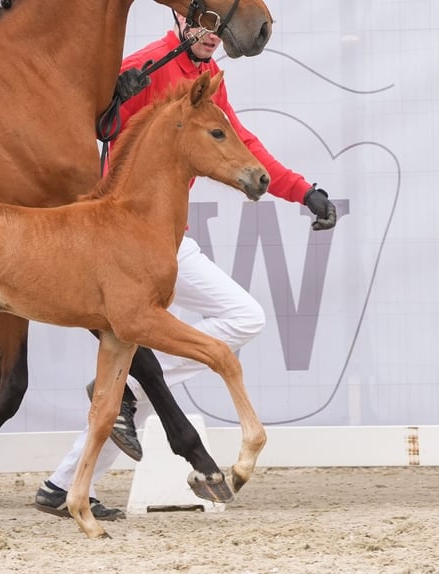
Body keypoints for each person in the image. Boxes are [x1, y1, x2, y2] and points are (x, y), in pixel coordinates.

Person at [34, 13, 337, 520]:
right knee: (190, 345)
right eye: (204, 21)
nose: (215, 32)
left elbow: (243, 145)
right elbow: (91, 127)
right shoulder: (145, 66)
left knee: (192, 349)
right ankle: (90, 446)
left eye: (221, 24)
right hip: (123, 244)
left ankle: (63, 482)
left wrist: (302, 191)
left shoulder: (206, 83)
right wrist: (112, 96)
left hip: (170, 241)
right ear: (179, 16)